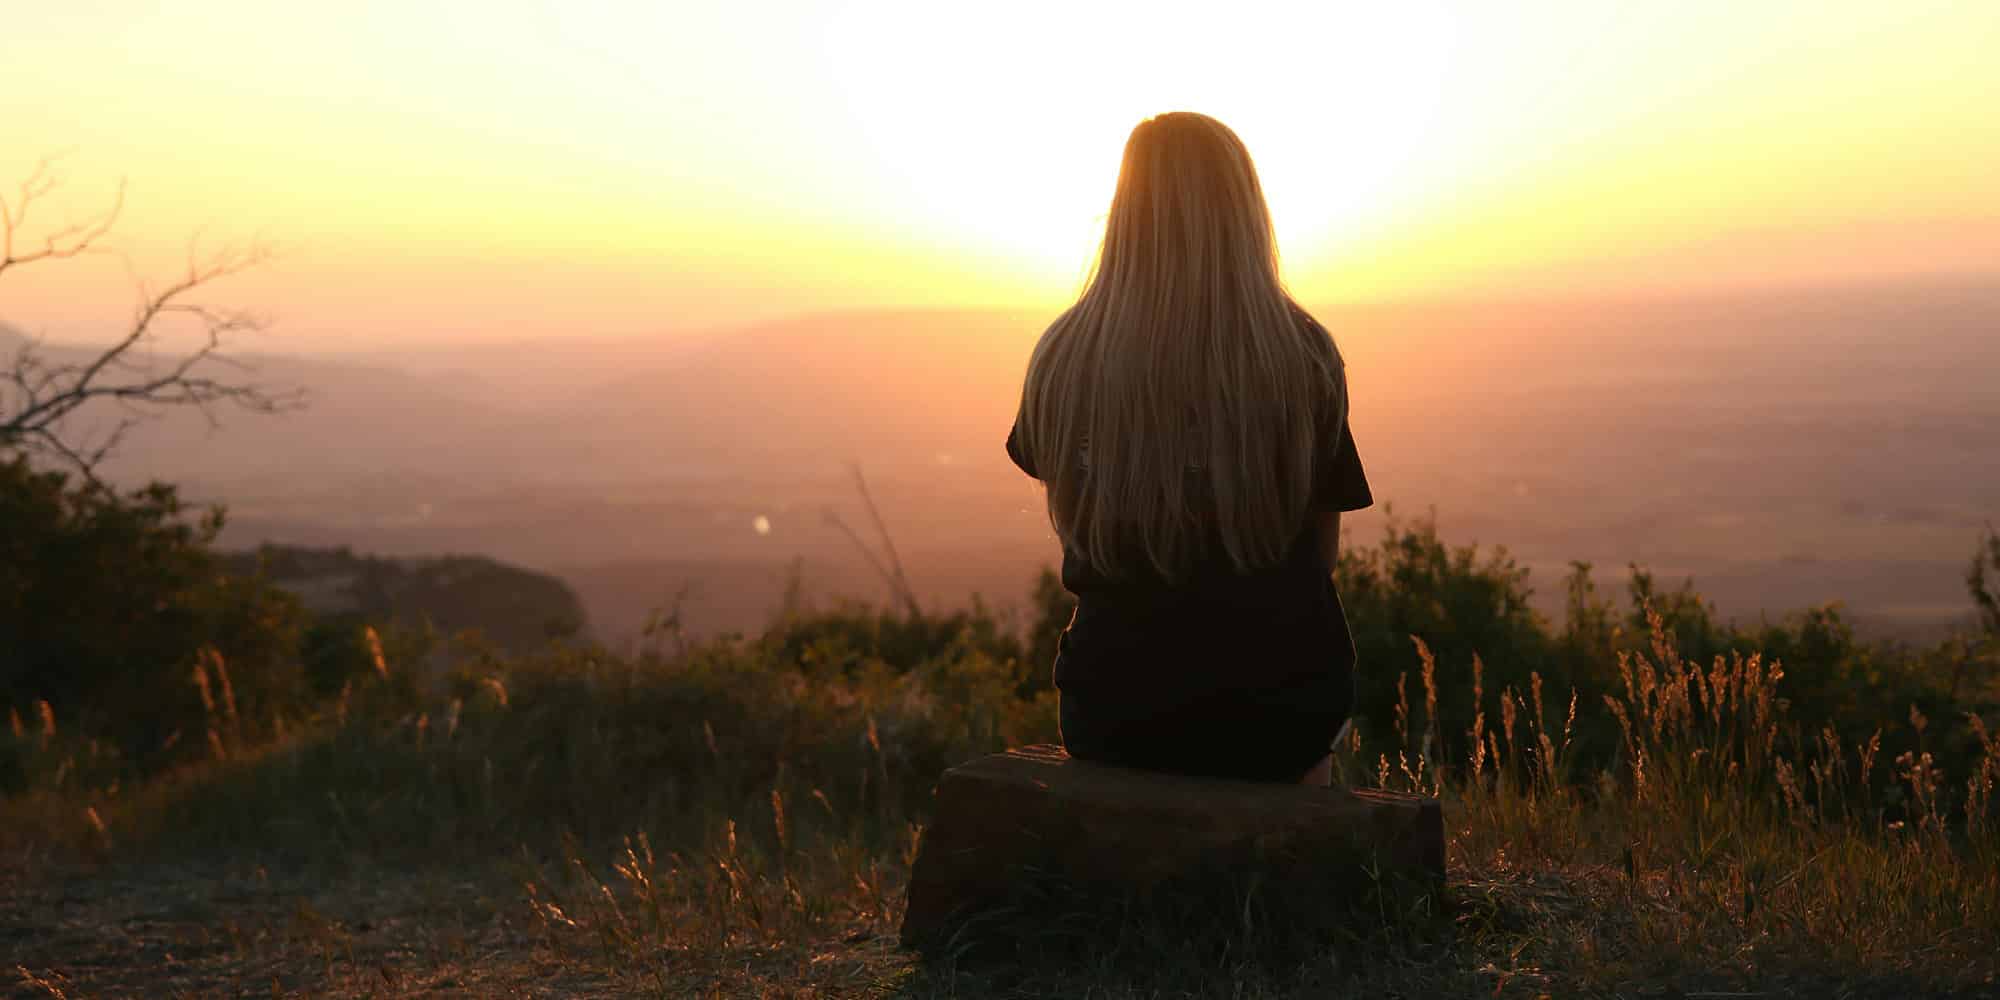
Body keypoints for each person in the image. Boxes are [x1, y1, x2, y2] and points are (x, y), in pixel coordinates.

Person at [1005, 111, 1373, 786]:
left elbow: (1073, 526)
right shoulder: (1304, 355)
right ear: (1245, 215)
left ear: (1124, 213)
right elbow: (1319, 559)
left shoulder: (1063, 356)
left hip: (1113, 709)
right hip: (1280, 712)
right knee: (1306, 756)